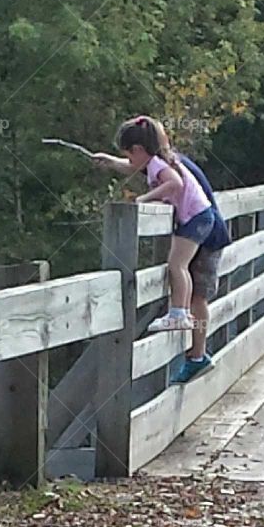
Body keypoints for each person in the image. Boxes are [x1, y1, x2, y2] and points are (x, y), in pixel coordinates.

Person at [92, 116, 229, 382]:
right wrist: (110, 162)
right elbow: (136, 166)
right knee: (184, 278)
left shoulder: (164, 166)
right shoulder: (163, 159)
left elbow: (171, 182)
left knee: (190, 286)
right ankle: (192, 347)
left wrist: (144, 199)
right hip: (198, 222)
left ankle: (193, 348)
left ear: (139, 149)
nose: (129, 161)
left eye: (129, 154)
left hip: (205, 229)